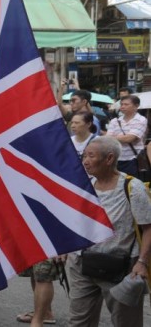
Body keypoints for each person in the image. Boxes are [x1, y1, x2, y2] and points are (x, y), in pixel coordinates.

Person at [67, 136, 151, 326]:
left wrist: (142, 262)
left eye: (90, 156)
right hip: (83, 264)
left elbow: (148, 227)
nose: (85, 161)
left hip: (120, 268)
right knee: (79, 321)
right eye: (84, 156)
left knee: (125, 322)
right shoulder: (84, 184)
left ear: (109, 158)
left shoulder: (132, 187)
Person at [106, 95, 147, 178]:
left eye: (126, 104)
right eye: (122, 104)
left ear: (136, 106)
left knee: (132, 185)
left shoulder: (141, 119)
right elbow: (107, 139)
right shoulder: (115, 121)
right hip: (116, 159)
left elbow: (130, 138)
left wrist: (114, 137)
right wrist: (121, 138)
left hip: (133, 159)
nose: (123, 106)